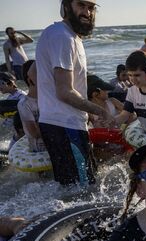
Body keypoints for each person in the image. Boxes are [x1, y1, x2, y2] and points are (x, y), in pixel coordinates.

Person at [35, 0, 110, 186]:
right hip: (64, 125)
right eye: (81, 5)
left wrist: (86, 113)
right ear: (66, 7)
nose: (87, 12)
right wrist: (100, 110)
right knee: (82, 189)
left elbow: (32, 73)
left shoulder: (64, 35)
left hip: (60, 123)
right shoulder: (63, 37)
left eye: (91, 8)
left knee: (73, 186)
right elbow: (65, 91)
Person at [17, 61, 45, 153]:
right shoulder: (24, 104)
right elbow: (35, 133)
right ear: (30, 80)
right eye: (41, 74)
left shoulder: (48, 97)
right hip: (40, 149)